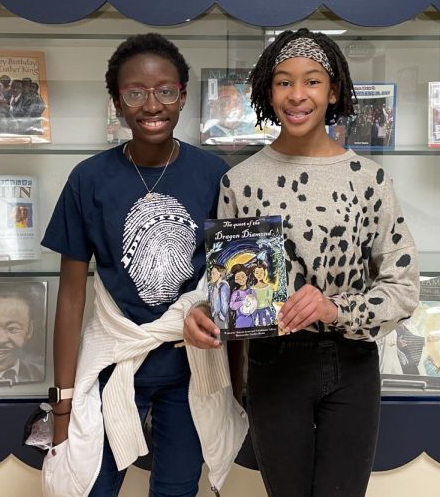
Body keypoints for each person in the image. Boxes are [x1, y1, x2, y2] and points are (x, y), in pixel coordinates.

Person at [184, 28, 419, 497]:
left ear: (334, 91)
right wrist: (204, 314)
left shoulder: (370, 181)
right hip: (274, 364)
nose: (297, 95)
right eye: (283, 82)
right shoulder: (241, 181)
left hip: (352, 364)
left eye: (312, 81)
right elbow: (232, 292)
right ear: (267, 93)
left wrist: (335, 309)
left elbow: (403, 288)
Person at [41, 33, 240, 497]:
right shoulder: (88, 179)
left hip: (191, 370)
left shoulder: (214, 175)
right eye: (135, 92)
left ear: (183, 97)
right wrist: (63, 409)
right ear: (117, 102)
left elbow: (230, 284)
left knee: (176, 489)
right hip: (114, 363)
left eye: (165, 90)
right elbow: (71, 297)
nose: (152, 105)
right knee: (90, 483)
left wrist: (239, 384)